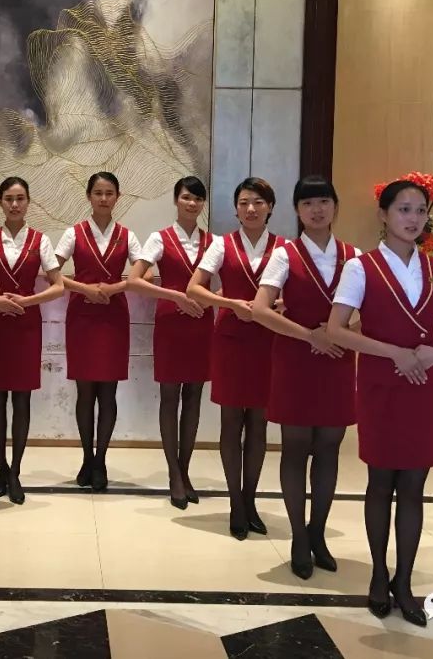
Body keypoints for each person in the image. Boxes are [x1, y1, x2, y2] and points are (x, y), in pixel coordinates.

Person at [327, 179, 433, 627]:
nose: (413, 218)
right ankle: (378, 574)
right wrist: (395, 353)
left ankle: (404, 581)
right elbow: (336, 329)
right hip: (381, 385)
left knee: (413, 486)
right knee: (380, 482)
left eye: (420, 210)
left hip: (423, 386)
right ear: (384, 214)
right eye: (403, 209)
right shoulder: (361, 267)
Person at [252, 175, 360, 579]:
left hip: (337, 362)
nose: (317, 210)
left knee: (330, 448)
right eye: (308, 203)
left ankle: (318, 533)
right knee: (295, 448)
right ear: (297, 211)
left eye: (324, 201)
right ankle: (298, 536)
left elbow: (369, 312)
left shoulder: (354, 257)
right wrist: (310, 335)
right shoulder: (285, 255)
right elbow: (260, 309)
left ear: (336, 207)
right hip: (295, 360)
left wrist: (340, 335)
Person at [188, 177, 282, 538]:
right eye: (244, 203)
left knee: (259, 422)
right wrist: (229, 303)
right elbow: (194, 288)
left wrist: (278, 304)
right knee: (231, 422)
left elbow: (293, 293)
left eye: (258, 202)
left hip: (267, 340)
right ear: (236, 209)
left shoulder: (284, 248)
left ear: (270, 207)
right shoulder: (221, 245)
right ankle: (236, 504)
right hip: (230, 339)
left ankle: (251, 499)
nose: (251, 209)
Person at [0, 177, 65, 505]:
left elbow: (58, 285)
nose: (14, 205)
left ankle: (15, 470)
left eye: (20, 199)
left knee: (22, 399)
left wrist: (27, 301)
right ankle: (0, 467)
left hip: (27, 326)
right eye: (9, 199)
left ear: (28, 202)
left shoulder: (40, 241)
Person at [55, 171, 142, 492]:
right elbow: (52, 272)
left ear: (118, 197)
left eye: (109, 193)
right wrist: (85, 289)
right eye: (98, 193)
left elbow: (141, 275)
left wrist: (115, 287)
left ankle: (101, 459)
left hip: (113, 317)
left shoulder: (127, 235)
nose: (104, 198)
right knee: (84, 392)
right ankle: (86, 457)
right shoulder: (73, 233)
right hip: (82, 316)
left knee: (108, 392)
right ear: (89, 196)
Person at [129, 176, 213, 509]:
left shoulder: (214, 242)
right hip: (170, 323)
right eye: (187, 197)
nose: (192, 204)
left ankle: (186, 470)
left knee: (194, 397)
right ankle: (173, 474)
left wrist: (210, 299)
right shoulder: (159, 238)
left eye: (198, 199)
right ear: (176, 200)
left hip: (201, 322)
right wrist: (174, 295)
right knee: (169, 397)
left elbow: (226, 285)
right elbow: (135, 280)